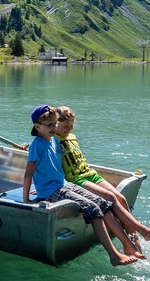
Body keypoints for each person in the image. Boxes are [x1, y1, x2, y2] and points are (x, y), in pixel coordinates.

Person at [22, 104, 141, 266]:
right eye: (49, 125)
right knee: (92, 209)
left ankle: (128, 243)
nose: (53, 128)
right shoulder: (37, 145)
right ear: (37, 127)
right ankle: (114, 255)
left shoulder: (53, 142)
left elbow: (55, 165)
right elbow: (28, 174)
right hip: (52, 191)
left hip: (63, 185)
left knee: (102, 204)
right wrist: (26, 199)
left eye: (55, 124)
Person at [55, 106, 150, 242]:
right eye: (65, 126)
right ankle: (143, 231)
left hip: (90, 173)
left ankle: (134, 239)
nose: (69, 129)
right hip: (77, 179)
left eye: (71, 126)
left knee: (121, 198)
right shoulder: (52, 140)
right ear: (55, 124)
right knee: (110, 197)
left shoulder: (72, 137)